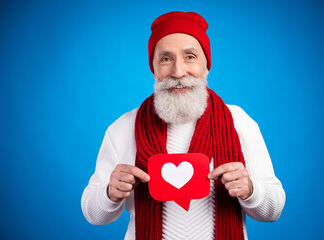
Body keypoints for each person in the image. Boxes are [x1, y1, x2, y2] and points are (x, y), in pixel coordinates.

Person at [81, 11, 285, 240]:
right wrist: (110, 193)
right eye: (166, 59)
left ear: (206, 65)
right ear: (153, 68)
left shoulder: (239, 122)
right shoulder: (122, 128)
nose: (178, 72)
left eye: (190, 56)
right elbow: (93, 214)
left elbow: (273, 210)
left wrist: (251, 189)